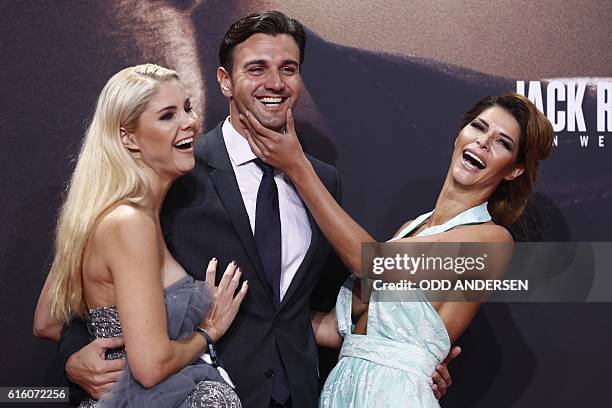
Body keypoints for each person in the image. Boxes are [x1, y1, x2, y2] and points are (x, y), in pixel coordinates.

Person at [48, 12, 456, 408]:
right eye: (257, 68)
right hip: (197, 393)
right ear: (225, 81)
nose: (274, 82)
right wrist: (75, 356)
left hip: (299, 393)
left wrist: (405, 362)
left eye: (288, 68)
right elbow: (85, 293)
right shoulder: (178, 171)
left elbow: (315, 309)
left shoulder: (323, 180)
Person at [239, 92, 554, 407]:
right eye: (478, 127)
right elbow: (337, 330)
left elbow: (369, 263)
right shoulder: (410, 229)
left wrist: (297, 166)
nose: (483, 142)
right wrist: (252, 314)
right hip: (343, 389)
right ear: (460, 135)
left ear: (513, 171)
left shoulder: (492, 241)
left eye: (502, 143)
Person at [33, 64, 247, 407]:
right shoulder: (130, 223)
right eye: (167, 115)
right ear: (128, 137)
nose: (189, 122)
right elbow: (150, 367)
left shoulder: (103, 213)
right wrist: (208, 331)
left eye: (188, 108)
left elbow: (46, 320)